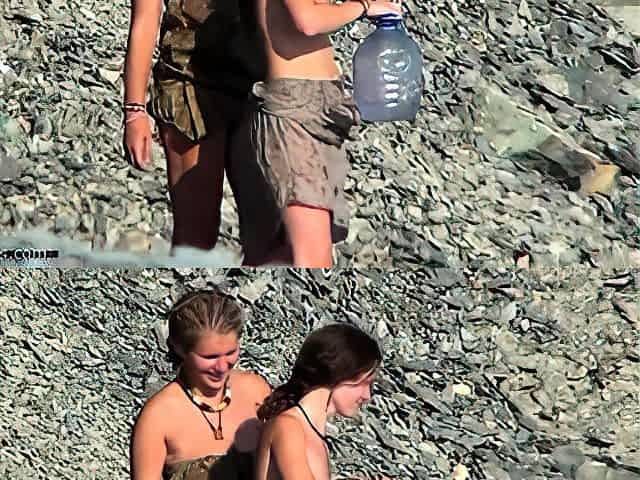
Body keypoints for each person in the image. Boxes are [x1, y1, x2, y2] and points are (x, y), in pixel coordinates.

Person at [227, 0, 403, 268]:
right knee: (311, 254)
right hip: (294, 114)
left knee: (279, 253)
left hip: (312, 109)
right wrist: (364, 6)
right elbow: (307, 21)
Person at [123, 0, 266, 251]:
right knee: (197, 233)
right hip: (187, 84)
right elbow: (145, 19)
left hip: (259, 87)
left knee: (266, 230)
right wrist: (135, 111)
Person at [130, 291, 272, 480]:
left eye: (230, 352)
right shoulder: (158, 417)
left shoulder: (256, 390)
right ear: (180, 349)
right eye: (210, 357)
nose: (222, 367)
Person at [254, 323, 383, 480]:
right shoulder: (288, 426)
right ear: (340, 374)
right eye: (365, 383)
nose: (367, 395)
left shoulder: (314, 437)